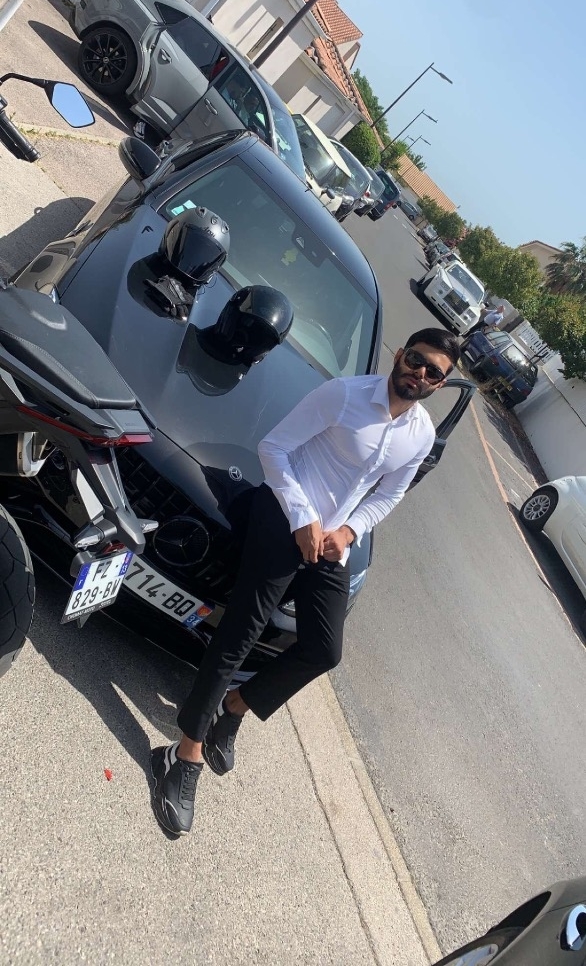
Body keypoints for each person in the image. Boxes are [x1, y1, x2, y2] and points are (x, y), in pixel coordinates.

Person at [150, 327, 460, 836]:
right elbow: (274, 448)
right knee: (241, 632)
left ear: (439, 384)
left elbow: (390, 494)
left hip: (331, 539)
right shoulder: (344, 395)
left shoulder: (421, 433)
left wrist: (350, 531)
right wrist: (302, 518)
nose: (419, 374)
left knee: (324, 651)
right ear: (401, 354)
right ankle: (183, 755)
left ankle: (234, 706)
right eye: (417, 360)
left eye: (433, 373)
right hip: (282, 511)